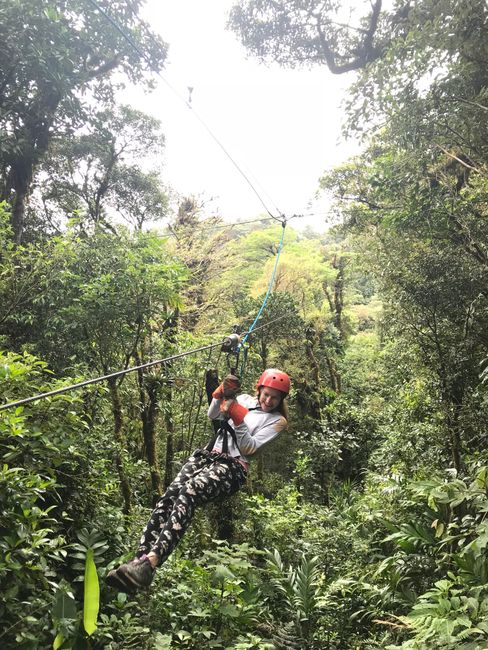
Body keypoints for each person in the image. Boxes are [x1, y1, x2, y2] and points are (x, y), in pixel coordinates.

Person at [107, 368, 290, 593]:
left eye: (275, 397)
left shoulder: (277, 421)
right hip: (208, 455)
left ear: (282, 399)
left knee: (189, 492)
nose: (269, 400)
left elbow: (249, 449)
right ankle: (138, 565)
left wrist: (238, 417)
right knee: (169, 497)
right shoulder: (243, 399)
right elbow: (213, 415)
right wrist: (220, 394)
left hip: (233, 467)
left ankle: (151, 562)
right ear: (259, 389)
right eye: (266, 394)